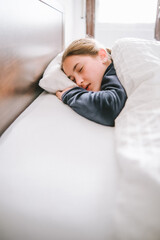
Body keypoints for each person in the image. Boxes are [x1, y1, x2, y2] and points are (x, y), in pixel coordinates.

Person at [56, 38, 127, 126]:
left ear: (102, 56)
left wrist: (69, 94)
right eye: (73, 79)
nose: (78, 82)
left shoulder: (113, 73)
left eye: (80, 69)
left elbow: (109, 108)